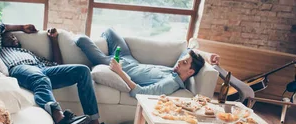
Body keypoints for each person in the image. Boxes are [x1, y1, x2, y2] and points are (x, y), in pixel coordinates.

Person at [0, 22, 119, 124]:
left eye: (13, 36)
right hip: (20, 70)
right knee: (41, 78)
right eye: (8, 36)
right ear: (1, 40)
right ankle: (60, 120)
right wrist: (22, 27)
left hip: (42, 69)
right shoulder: (1, 50)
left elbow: (57, 65)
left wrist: (54, 40)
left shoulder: (30, 53)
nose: (12, 38)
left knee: (83, 71)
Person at [76, 28, 220, 97]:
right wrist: (208, 56)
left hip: (117, 65)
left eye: (184, 63)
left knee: (81, 39)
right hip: (129, 58)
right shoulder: (177, 70)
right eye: (182, 61)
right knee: (109, 32)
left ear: (190, 72)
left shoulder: (170, 83)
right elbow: (187, 51)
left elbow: (141, 92)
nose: (180, 62)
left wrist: (119, 71)